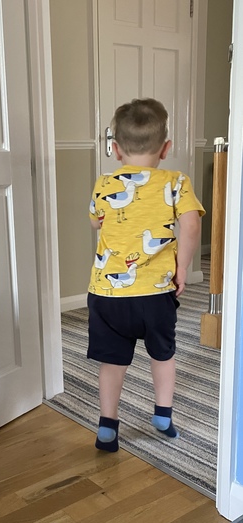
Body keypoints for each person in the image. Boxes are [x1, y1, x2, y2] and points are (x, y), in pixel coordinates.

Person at [88, 98, 205, 452]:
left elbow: (95, 222)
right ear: (166, 148)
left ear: (115, 149)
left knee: (112, 362)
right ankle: (163, 415)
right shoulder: (176, 181)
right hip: (155, 294)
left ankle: (107, 426)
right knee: (163, 354)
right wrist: (182, 267)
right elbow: (191, 225)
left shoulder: (104, 184)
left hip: (108, 295)